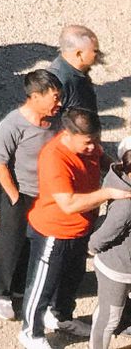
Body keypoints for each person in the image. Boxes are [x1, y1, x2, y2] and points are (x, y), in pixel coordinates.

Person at [22, 109, 129, 348]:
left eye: (97, 140)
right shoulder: (54, 158)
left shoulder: (90, 146)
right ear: (68, 134)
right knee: (42, 285)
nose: (94, 147)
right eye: (88, 143)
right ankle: (31, 331)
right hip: (55, 232)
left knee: (71, 278)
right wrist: (109, 192)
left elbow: (104, 161)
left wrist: (124, 174)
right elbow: (68, 204)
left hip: (82, 229)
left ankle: (60, 316)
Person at [0, 70, 67, 319]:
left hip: (47, 195)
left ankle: (22, 286)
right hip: (21, 194)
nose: (60, 103)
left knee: (35, 241)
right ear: (35, 96)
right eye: (55, 97)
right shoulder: (12, 125)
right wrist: (13, 196)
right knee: (10, 241)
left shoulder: (57, 119)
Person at [88, 141, 131, 349]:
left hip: (124, 266)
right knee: (109, 317)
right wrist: (91, 247)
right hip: (118, 269)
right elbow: (105, 235)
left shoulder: (118, 181)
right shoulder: (126, 206)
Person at [52, 25, 104, 119]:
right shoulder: (59, 82)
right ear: (79, 54)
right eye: (95, 51)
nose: (99, 54)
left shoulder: (78, 71)